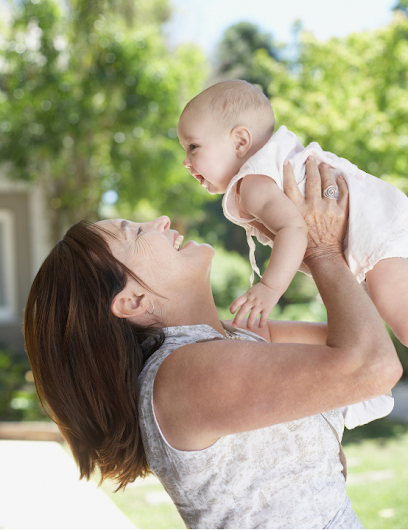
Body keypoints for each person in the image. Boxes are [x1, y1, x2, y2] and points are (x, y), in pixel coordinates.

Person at [24, 160, 401, 529]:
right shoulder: (181, 376)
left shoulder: (239, 338)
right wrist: (321, 251)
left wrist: (309, 242)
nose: (162, 222)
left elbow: (356, 337)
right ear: (132, 301)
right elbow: (373, 366)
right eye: (137, 234)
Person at [177, 80, 408, 347]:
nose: (186, 161)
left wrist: (269, 288)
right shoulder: (268, 169)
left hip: (378, 233)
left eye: (193, 147)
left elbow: (293, 230)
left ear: (240, 141)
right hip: (380, 226)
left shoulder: (253, 183)